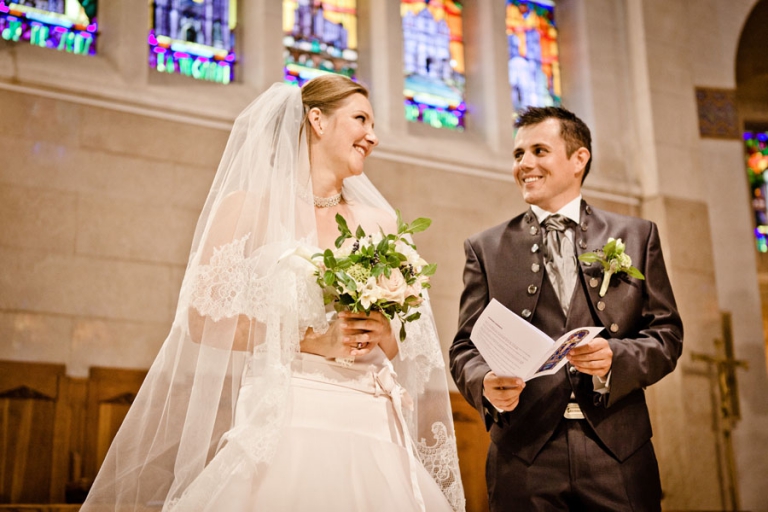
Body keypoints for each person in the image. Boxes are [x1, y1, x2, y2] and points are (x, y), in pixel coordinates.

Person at [82, 75, 464, 511]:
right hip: (289, 411)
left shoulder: (382, 223)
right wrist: (309, 339)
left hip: (371, 417)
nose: (373, 137)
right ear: (317, 120)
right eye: (361, 119)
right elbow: (201, 319)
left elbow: (405, 345)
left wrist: (379, 328)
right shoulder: (247, 208)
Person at [450, 106, 683, 511]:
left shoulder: (637, 236)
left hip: (618, 449)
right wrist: (483, 382)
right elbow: (464, 348)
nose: (525, 164)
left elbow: (667, 336)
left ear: (579, 159)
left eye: (539, 150)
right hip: (524, 452)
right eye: (518, 154)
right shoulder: (484, 248)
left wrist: (616, 357)